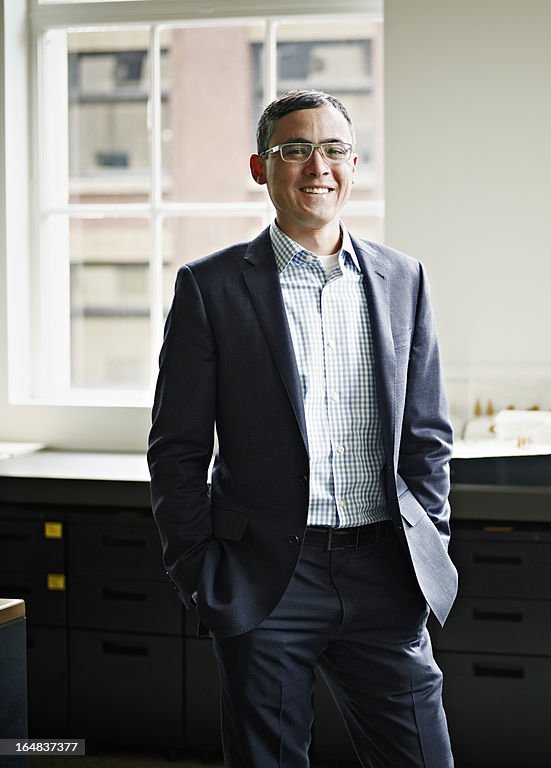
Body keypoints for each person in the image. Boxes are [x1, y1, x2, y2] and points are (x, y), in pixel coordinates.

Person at [148, 89, 457, 767]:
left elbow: (427, 436)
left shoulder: (403, 279)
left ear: (352, 162)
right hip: (266, 580)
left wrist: (427, 533)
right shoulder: (212, 288)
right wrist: (200, 573)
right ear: (261, 167)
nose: (318, 165)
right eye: (295, 149)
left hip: (386, 573)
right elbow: (177, 450)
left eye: (334, 148)